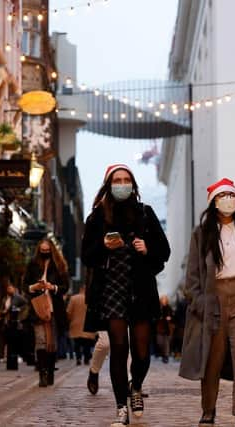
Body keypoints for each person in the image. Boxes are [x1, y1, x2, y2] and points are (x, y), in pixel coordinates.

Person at [82, 163, 170, 427]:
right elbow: (87, 256)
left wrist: (147, 248)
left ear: (133, 185)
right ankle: (121, 408)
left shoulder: (146, 213)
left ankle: (136, 386)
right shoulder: (97, 217)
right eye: (117, 180)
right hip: (111, 289)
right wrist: (103, 246)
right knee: (118, 350)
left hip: (140, 289)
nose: (122, 184)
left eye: (126, 180)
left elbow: (164, 252)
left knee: (142, 353)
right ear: (109, 185)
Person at [179, 178, 235, 427]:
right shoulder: (202, 233)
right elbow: (193, 276)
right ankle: (208, 409)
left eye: (232, 195)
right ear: (214, 201)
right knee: (212, 358)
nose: (228, 199)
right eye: (223, 195)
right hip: (212, 298)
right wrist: (199, 302)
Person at [23, 238, 70, 387]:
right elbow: (24, 285)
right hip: (38, 307)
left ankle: (50, 372)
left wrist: (53, 287)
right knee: (41, 340)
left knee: (52, 342)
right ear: (39, 250)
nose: (45, 253)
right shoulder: (32, 264)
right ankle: (42, 373)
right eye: (42, 251)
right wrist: (34, 287)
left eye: (47, 251)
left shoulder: (60, 265)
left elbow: (65, 286)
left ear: (52, 250)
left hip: (54, 308)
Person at [0, 278, 28, 361]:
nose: (9, 290)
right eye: (8, 288)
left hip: (15, 322)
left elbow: (26, 304)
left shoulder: (18, 297)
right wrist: (2, 312)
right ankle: (6, 356)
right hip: (6, 321)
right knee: (7, 338)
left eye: (11, 288)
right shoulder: (5, 298)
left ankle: (17, 356)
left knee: (15, 339)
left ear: (14, 289)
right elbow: (2, 308)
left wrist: (20, 314)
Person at [67, 285, 96, 365]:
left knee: (77, 343)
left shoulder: (74, 298)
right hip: (88, 325)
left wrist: (69, 320)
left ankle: (78, 358)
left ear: (81, 289)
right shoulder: (92, 299)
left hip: (76, 325)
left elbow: (69, 312)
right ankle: (86, 359)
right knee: (87, 344)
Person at [156, 295, 174, 363]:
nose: (163, 301)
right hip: (159, 327)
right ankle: (163, 354)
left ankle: (166, 356)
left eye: (164, 299)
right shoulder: (158, 307)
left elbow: (173, 316)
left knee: (166, 343)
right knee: (159, 342)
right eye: (162, 299)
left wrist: (170, 318)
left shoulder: (169, 308)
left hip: (167, 328)